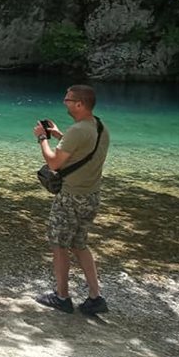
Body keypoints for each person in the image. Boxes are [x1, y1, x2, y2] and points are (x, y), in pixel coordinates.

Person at [33, 84, 111, 315]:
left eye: (67, 100)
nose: (64, 102)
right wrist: (58, 135)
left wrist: (42, 139)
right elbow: (82, 148)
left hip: (71, 197)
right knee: (79, 244)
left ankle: (62, 297)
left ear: (79, 104)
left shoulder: (78, 131)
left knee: (59, 245)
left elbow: (54, 163)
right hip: (91, 196)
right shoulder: (99, 126)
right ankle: (95, 297)